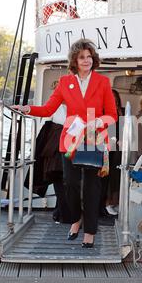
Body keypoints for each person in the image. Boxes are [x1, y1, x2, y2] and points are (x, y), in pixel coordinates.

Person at [12, 39, 117, 248]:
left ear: (93, 59)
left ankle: (89, 232)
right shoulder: (64, 83)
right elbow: (48, 110)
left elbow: (112, 115)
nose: (86, 60)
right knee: (69, 184)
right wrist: (27, 109)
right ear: (75, 61)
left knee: (92, 188)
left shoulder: (103, 82)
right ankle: (76, 219)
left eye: (89, 57)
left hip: (94, 140)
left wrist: (96, 122)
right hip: (70, 142)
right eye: (81, 57)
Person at [24, 104, 71, 224]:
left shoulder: (62, 105)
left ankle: (61, 212)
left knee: (62, 179)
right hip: (57, 145)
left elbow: (44, 122)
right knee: (60, 178)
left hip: (61, 143)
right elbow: (44, 120)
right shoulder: (58, 105)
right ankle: (63, 214)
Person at [99, 89, 123, 217]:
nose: (114, 100)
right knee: (105, 176)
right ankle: (105, 203)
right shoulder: (103, 112)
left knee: (116, 175)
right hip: (106, 146)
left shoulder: (121, 111)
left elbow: (124, 128)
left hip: (118, 148)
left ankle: (113, 202)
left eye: (115, 98)